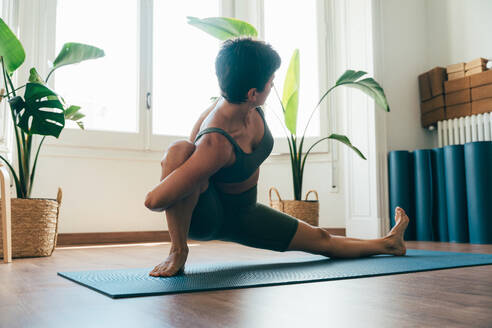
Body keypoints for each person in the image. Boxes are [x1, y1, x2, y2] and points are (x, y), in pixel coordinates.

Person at [144, 37, 409, 277]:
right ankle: (178, 251)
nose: (273, 84)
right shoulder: (216, 142)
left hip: (244, 211)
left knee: (321, 238)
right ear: (252, 93)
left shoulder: (242, 103)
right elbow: (154, 200)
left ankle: (389, 243)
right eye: (271, 81)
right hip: (211, 218)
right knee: (179, 150)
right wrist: (195, 180)